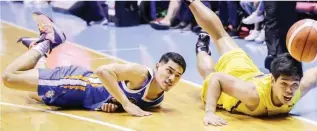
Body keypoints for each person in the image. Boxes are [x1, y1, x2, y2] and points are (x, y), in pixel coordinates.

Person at [184, 0, 317, 126]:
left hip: (248, 74)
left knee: (215, 54)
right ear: (272, 80)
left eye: (294, 85)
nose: (290, 91)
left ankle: (202, 45)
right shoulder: (252, 94)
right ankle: (200, 35)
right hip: (237, 80)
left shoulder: (296, 89)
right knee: (212, 66)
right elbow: (218, 79)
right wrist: (210, 112)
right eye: (284, 84)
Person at [2, 12, 186, 117]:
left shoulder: (157, 99)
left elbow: (120, 96)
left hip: (78, 100)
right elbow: (102, 70)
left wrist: (113, 104)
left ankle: (37, 47)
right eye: (169, 71)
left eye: (177, 76)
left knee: (31, 94)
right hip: (76, 83)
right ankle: (48, 42)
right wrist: (125, 104)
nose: (171, 78)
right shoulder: (141, 75)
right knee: (9, 78)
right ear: (157, 67)